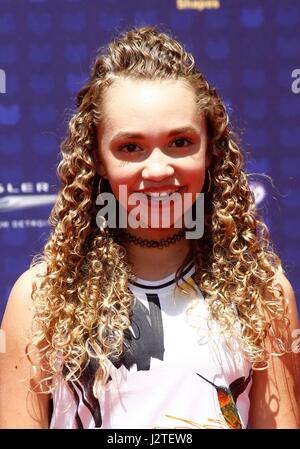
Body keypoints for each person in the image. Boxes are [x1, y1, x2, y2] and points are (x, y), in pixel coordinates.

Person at [0, 26, 299, 430]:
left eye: (180, 142)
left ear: (210, 149)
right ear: (98, 159)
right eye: (131, 147)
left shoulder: (263, 295)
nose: (158, 169)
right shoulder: (39, 299)